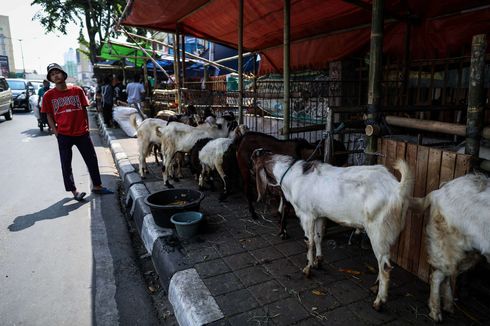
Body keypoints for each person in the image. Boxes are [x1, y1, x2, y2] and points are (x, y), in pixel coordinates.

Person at [41, 63, 113, 201]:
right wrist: (56, 132)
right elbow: (48, 115)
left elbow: (84, 109)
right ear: (50, 78)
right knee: (66, 164)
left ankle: (97, 186)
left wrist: (87, 127)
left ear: (63, 74)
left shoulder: (77, 90)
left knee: (91, 159)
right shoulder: (48, 96)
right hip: (63, 135)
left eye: (57, 72)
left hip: (81, 133)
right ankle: (74, 191)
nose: (55, 75)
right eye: (52, 74)